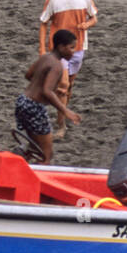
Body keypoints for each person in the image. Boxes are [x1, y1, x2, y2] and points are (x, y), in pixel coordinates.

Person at [39, 0, 97, 138]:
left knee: (69, 87)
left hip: (78, 48)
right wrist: (42, 48)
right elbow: (44, 23)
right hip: (59, 51)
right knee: (63, 86)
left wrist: (87, 24)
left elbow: (94, 17)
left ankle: (61, 113)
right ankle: (61, 126)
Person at [16, 29, 81, 162]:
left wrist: (43, 87)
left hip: (23, 102)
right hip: (34, 107)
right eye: (71, 47)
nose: (74, 51)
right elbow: (47, 91)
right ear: (61, 47)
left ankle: (20, 164)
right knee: (47, 153)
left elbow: (28, 75)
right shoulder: (57, 66)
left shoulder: (45, 57)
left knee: (34, 147)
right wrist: (65, 110)